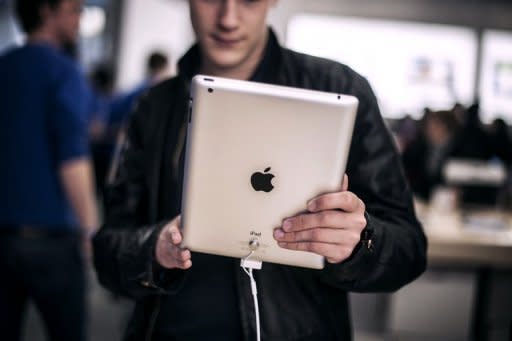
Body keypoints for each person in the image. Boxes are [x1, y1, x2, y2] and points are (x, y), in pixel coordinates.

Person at [93, 1, 427, 340]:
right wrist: (154, 247)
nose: (228, 18)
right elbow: (107, 253)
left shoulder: (338, 89)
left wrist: (359, 242)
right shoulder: (154, 107)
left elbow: (409, 248)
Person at [0, 1, 98, 341]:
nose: (79, 17)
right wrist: (90, 229)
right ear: (45, 11)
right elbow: (72, 158)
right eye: (73, 9)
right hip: (52, 242)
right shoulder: (64, 71)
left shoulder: (4, 67)